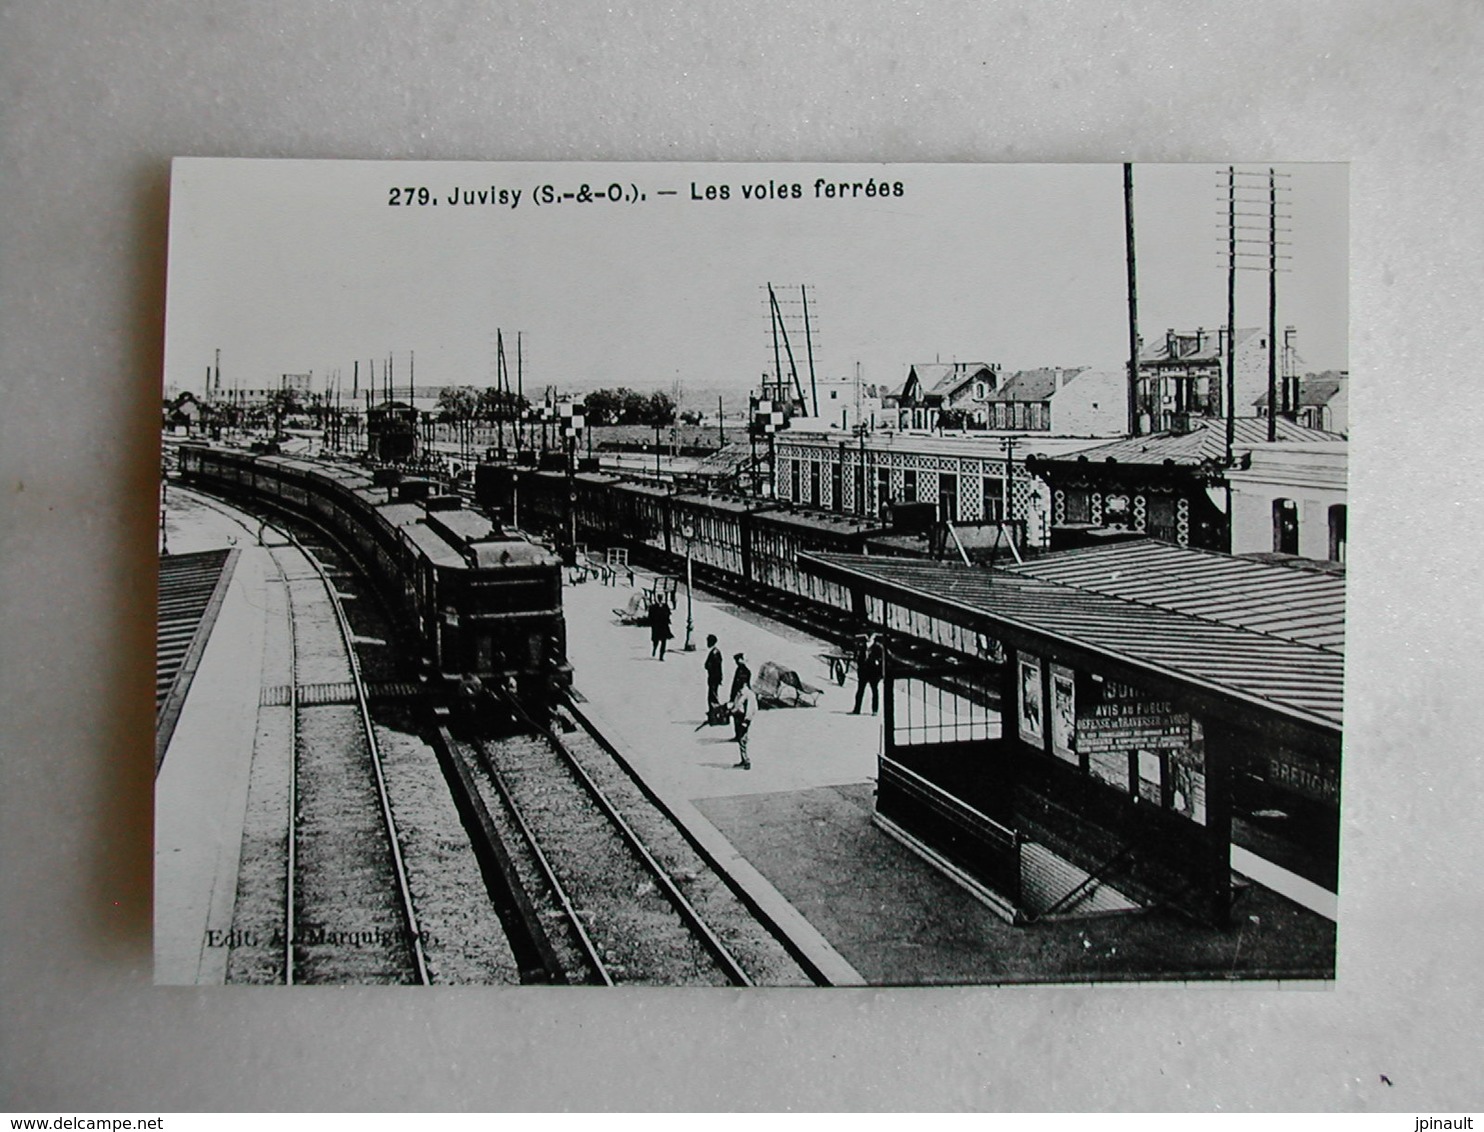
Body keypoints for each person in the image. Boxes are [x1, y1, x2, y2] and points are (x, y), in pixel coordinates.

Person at [730, 668, 757, 770]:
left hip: (744, 719)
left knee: (742, 739)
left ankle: (746, 761)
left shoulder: (748, 694)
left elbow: (751, 709)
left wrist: (746, 721)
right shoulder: (740, 692)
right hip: (738, 717)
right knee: (741, 739)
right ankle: (743, 759)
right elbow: (737, 704)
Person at [851, 632, 885, 715]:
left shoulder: (878, 647)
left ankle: (875, 710)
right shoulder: (862, 647)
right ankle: (857, 709)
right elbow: (858, 659)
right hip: (863, 672)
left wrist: (880, 673)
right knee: (860, 691)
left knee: (874, 691)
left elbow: (882, 661)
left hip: (874, 672)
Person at [704, 634, 725, 722]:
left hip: (714, 678)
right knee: (712, 696)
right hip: (713, 678)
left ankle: (715, 715)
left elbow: (716, 667)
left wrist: (719, 678)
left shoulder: (715, 653)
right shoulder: (714, 652)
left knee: (713, 697)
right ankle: (712, 714)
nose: (707, 643)